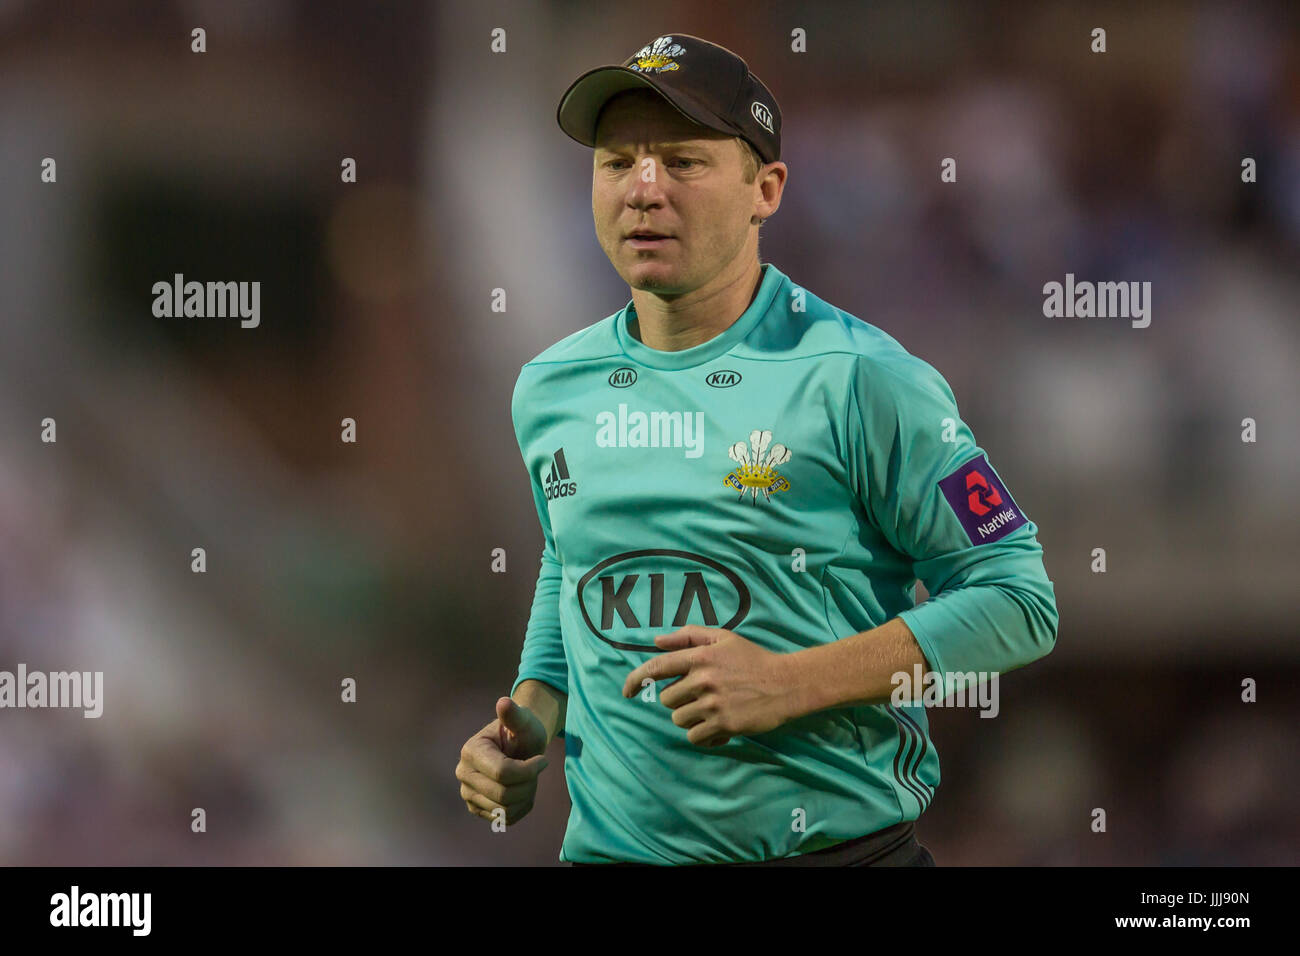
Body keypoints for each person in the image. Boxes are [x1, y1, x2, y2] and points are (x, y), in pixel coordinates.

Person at [455, 33, 1058, 866]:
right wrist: (529, 721)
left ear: (764, 189)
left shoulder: (861, 378)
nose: (643, 189)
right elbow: (573, 568)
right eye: (617, 161)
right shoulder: (551, 388)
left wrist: (789, 682)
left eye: (683, 161)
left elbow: (1017, 603)